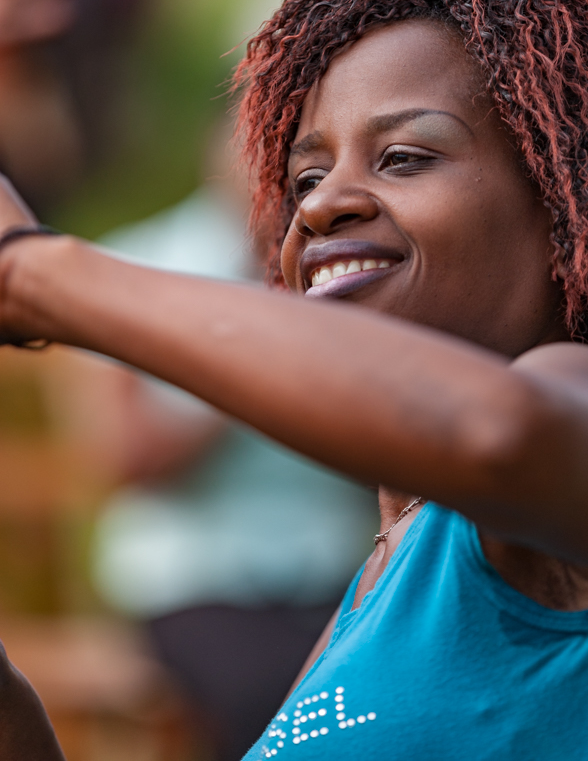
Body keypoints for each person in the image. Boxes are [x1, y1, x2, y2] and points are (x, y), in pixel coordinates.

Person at [2, 0, 588, 760]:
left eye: (402, 156)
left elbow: (502, 434)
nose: (322, 204)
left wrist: (29, 273)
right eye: (305, 175)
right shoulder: (397, 557)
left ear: (569, 199)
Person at [56, 156, 377, 760]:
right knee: (280, 697)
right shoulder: (136, 266)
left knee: (385, 690)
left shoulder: (351, 271)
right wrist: (251, 357)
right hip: (198, 580)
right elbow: (128, 460)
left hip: (335, 571)